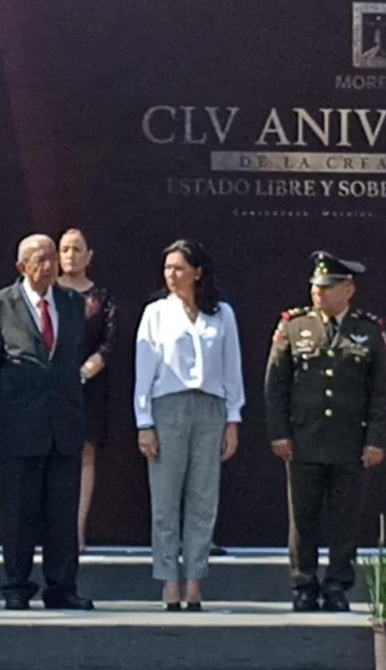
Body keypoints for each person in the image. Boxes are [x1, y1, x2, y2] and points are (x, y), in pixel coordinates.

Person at [264, 251, 386, 613]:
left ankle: (337, 585)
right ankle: (304, 583)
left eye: (327, 287)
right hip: (304, 438)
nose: (318, 293)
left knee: (345, 517)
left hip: (350, 440)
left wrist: (376, 439)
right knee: (303, 517)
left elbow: (381, 392)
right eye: (315, 286)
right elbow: (276, 385)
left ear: (347, 290)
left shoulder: (368, 331)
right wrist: (279, 433)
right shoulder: (294, 326)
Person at [0, 234, 94, 610]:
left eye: (52, 259)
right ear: (21, 267)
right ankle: (16, 586)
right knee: (19, 513)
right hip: (20, 424)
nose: (50, 266)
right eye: (40, 260)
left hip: (63, 423)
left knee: (62, 513)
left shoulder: (73, 303)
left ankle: (62, 587)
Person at [133, 239, 243, 611]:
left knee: (203, 499)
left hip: (210, 409)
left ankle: (195, 579)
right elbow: (143, 371)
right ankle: (168, 580)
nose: (172, 275)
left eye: (179, 268)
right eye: (167, 269)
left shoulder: (221, 313)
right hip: (168, 408)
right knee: (165, 499)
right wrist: (144, 422)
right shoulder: (156, 313)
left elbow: (232, 369)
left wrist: (233, 419)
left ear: (197, 272)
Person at [57, 228, 116, 553]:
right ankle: (55, 527)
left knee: (84, 454)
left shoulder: (101, 298)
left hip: (89, 387)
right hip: (51, 388)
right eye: (65, 249)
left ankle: (76, 530)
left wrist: (84, 371)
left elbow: (109, 341)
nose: (70, 255)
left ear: (89, 256)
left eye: (77, 249)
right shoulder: (47, 293)